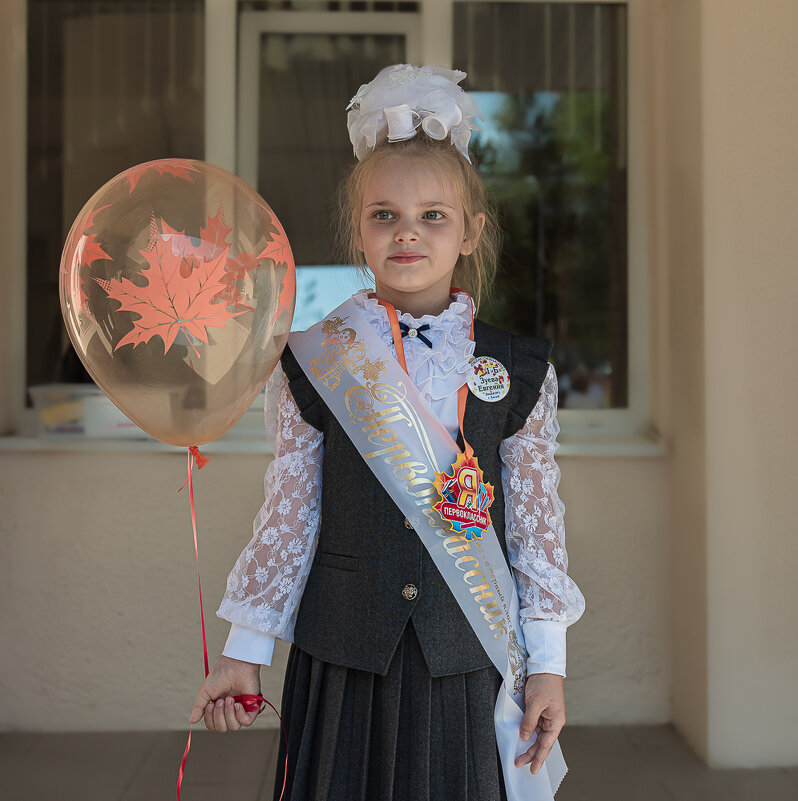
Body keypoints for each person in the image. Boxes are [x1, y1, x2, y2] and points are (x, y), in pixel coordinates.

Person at [189, 64, 585, 801]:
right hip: (343, 657)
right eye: (383, 214)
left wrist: (549, 665)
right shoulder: (313, 362)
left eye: (433, 215)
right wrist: (244, 652)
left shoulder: (521, 369)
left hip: (466, 662)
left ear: (471, 232)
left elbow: (536, 534)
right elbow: (290, 514)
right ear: (358, 232)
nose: (407, 231)